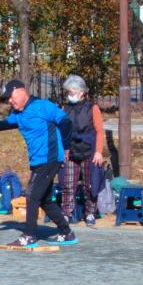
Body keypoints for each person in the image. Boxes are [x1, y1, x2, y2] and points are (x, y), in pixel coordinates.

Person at [0, 79, 75, 247]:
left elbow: (66, 122)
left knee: (31, 195)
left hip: (49, 158)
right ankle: (67, 233)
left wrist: (66, 147)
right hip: (37, 160)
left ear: (21, 91)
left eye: (11, 97)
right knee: (44, 200)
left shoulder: (43, 106)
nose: (10, 101)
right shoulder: (18, 114)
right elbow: (6, 123)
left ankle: (29, 235)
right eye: (7, 99)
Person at [59, 74, 105, 226]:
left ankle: (90, 213)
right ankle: (66, 213)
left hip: (89, 150)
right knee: (68, 184)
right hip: (70, 150)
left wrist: (99, 151)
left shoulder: (93, 108)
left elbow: (99, 131)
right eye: (68, 92)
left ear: (81, 92)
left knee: (90, 184)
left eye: (72, 92)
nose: (69, 95)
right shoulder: (64, 108)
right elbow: (61, 131)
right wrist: (63, 149)